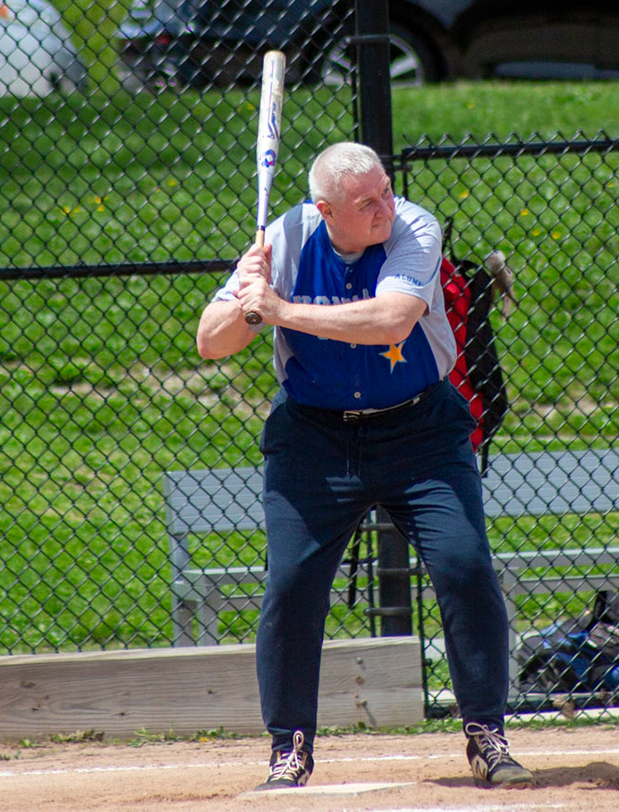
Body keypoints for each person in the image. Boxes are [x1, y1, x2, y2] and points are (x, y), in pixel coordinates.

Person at [196, 141, 531, 791]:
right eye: (366, 201)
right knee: (292, 584)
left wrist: (280, 310)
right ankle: (288, 747)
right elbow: (212, 341)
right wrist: (246, 300)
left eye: (385, 190)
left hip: (420, 431)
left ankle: (487, 734)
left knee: (464, 565)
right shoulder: (286, 238)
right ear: (326, 211)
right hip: (314, 439)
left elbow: (391, 321)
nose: (385, 206)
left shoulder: (415, 228)